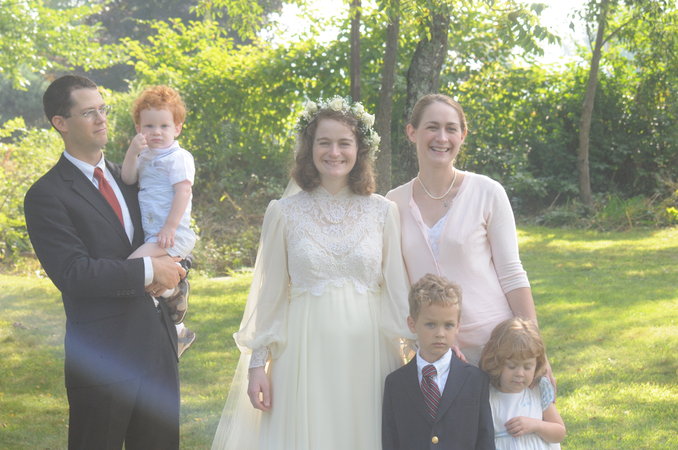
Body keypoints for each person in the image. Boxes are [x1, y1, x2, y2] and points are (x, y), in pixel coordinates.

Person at [211, 96, 413, 449]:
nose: (334, 152)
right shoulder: (283, 213)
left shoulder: (383, 212)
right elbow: (270, 295)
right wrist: (258, 364)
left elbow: (398, 291)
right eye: (324, 142)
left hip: (369, 353)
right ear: (310, 148)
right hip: (303, 354)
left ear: (360, 149)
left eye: (344, 143)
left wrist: (415, 354)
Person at [23, 74, 185, 449]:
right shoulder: (46, 195)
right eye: (88, 112)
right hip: (101, 358)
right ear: (60, 123)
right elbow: (74, 274)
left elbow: (170, 232)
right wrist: (150, 270)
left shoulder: (132, 176)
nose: (101, 119)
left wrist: (176, 270)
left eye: (103, 108)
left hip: (157, 350)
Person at [386, 94, 552, 378]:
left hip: (498, 349)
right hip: (434, 352)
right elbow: (399, 285)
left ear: (462, 135)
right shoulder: (393, 202)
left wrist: (536, 349)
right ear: (412, 132)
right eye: (432, 127)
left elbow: (512, 273)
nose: (442, 137)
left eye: (451, 128)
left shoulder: (487, 192)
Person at [122, 85, 197, 356]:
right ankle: (178, 327)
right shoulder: (144, 157)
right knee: (147, 282)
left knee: (131, 268)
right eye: (149, 126)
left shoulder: (178, 157)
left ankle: (175, 291)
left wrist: (170, 227)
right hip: (154, 235)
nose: (156, 132)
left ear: (177, 128)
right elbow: (128, 178)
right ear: (139, 128)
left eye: (164, 126)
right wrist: (132, 151)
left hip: (171, 234)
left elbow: (183, 192)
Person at [382, 273, 495, 450]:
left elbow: (485, 439)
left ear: (458, 326)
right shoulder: (395, 383)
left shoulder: (476, 380)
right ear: (412, 324)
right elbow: (391, 440)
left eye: (448, 325)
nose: (440, 334)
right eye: (431, 324)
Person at [480, 318, 566, 449]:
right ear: (496, 362)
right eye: (512, 366)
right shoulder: (486, 394)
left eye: (527, 367)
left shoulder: (537, 390)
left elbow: (559, 433)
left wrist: (536, 425)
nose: (520, 373)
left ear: (536, 365)